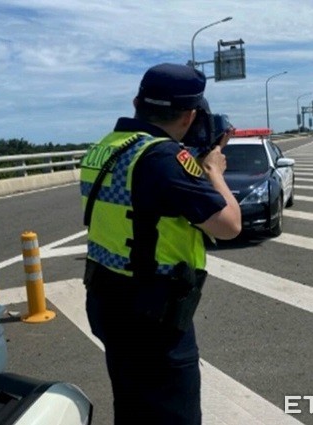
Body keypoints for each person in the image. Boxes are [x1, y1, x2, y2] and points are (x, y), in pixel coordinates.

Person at [79, 63, 241, 424]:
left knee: (133, 406)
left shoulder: (103, 148)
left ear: (136, 101)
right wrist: (213, 171)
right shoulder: (165, 159)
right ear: (189, 116)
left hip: (107, 300)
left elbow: (144, 201)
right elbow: (229, 226)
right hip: (153, 314)